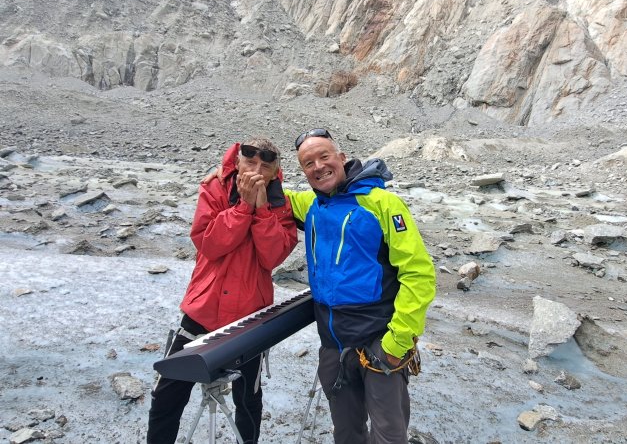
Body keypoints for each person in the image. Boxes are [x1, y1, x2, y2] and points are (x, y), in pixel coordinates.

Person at [285, 128, 436, 444]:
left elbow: (419, 274)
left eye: (324, 156)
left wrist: (398, 342)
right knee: (347, 433)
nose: (318, 166)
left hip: (379, 342)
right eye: (308, 163)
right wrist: (238, 169)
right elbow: (271, 194)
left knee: (388, 435)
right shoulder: (310, 204)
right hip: (334, 346)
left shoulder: (382, 203)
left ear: (341, 158)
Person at [147, 138, 298, 444]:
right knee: (166, 396)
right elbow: (210, 244)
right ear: (238, 163)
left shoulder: (281, 204)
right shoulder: (215, 189)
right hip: (203, 311)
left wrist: (262, 212)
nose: (256, 171)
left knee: (248, 401)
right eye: (250, 163)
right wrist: (243, 208)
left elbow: (273, 257)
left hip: (250, 318)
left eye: (264, 166)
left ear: (273, 173)